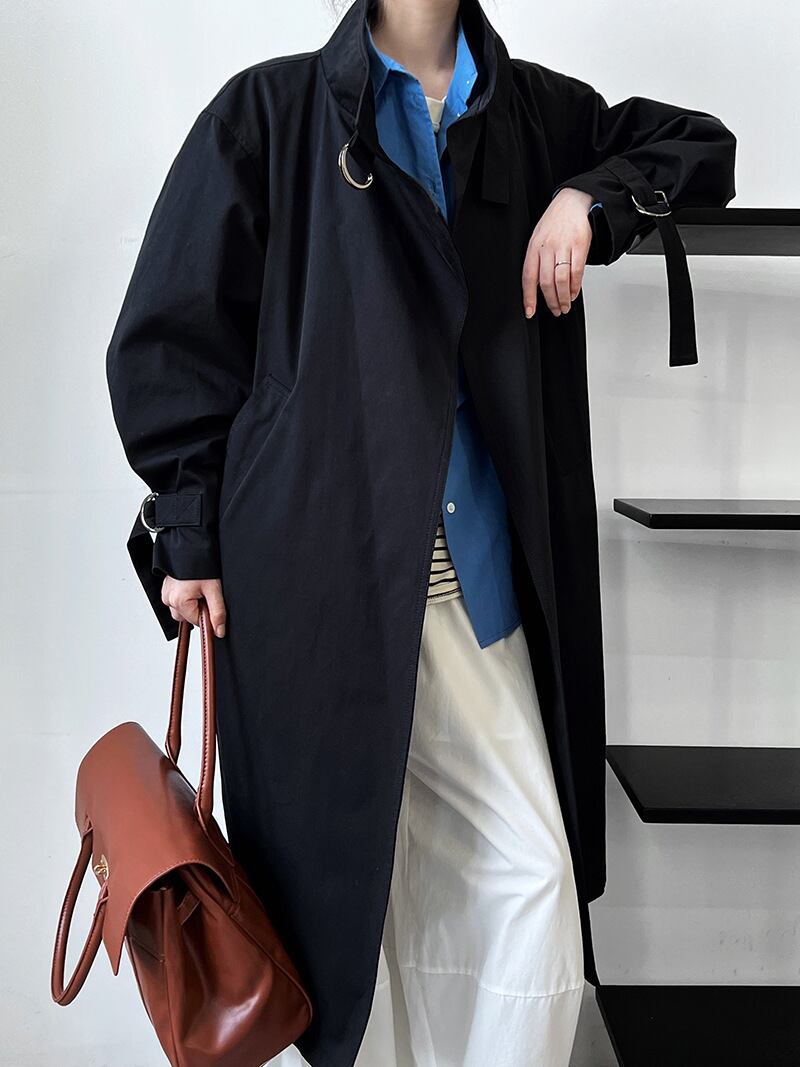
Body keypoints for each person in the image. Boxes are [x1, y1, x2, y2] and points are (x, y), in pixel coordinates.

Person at [105, 0, 736, 1064]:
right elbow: (171, 338)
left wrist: (587, 198)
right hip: (311, 582)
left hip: (477, 585)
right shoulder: (268, 113)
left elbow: (697, 144)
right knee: (354, 916)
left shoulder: (536, 115)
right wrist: (187, 529)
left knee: (529, 883)